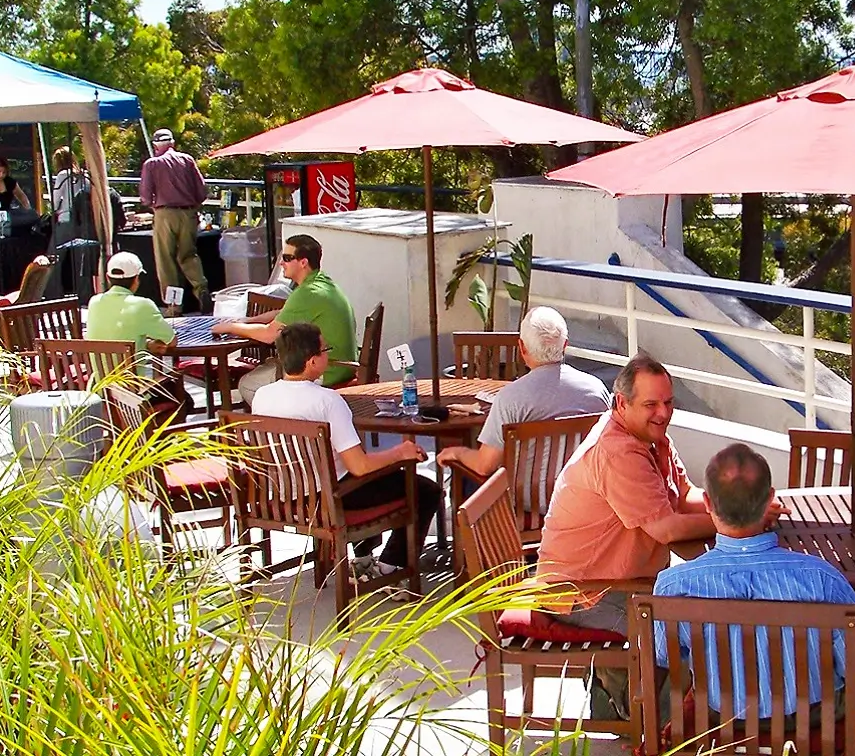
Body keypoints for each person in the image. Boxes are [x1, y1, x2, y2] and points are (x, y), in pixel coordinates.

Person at [535, 354, 744, 718]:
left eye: (668, 402)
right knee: (687, 627)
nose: (663, 412)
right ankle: (659, 721)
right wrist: (735, 520)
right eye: (651, 404)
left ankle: (617, 698)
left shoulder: (649, 435)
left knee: (699, 605)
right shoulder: (619, 451)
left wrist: (737, 502)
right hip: (581, 590)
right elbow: (666, 528)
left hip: (621, 579)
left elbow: (686, 495)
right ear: (622, 403)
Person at [652, 443, 855, 721]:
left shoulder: (673, 586)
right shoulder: (822, 579)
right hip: (813, 721)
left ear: (708, 502)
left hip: (719, 722)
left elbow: (664, 656)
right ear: (770, 499)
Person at [251, 323, 443, 578]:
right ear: (311, 361)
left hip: (287, 497)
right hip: (330, 501)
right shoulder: (328, 401)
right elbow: (359, 466)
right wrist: (400, 453)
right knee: (424, 489)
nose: (328, 355)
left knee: (372, 478)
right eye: (325, 350)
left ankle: (363, 558)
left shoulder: (262, 396)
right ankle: (391, 567)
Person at [436, 306, 610, 479]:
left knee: (468, 481)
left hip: (523, 503)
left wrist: (457, 452)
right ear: (565, 345)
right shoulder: (596, 389)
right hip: (580, 498)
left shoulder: (510, 399)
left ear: (522, 348)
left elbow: (484, 465)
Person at [213, 234, 358, 397]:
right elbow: (284, 312)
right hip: (341, 366)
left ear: (303, 262)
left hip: (327, 370)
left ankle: (286, 419)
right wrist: (247, 320)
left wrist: (230, 327)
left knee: (248, 384)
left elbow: (269, 334)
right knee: (268, 368)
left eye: (288, 258)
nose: (281, 262)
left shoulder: (308, 292)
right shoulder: (321, 283)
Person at [86, 251, 193, 423]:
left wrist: (146, 345)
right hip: (133, 395)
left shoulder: (94, 303)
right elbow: (171, 340)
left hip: (100, 392)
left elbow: (115, 335)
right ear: (136, 279)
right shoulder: (143, 305)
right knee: (184, 399)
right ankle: (155, 446)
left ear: (107, 277)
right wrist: (150, 344)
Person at [138, 127, 210, 314]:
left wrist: (153, 205)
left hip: (165, 214)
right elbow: (202, 191)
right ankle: (201, 289)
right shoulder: (187, 160)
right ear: (173, 144)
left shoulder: (151, 164)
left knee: (166, 261)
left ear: (155, 146)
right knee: (189, 255)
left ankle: (174, 305)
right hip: (189, 214)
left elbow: (145, 197)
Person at [48, 145, 91, 218]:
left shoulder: (63, 175)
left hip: (67, 217)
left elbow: (54, 204)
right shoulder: (85, 175)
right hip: (84, 217)